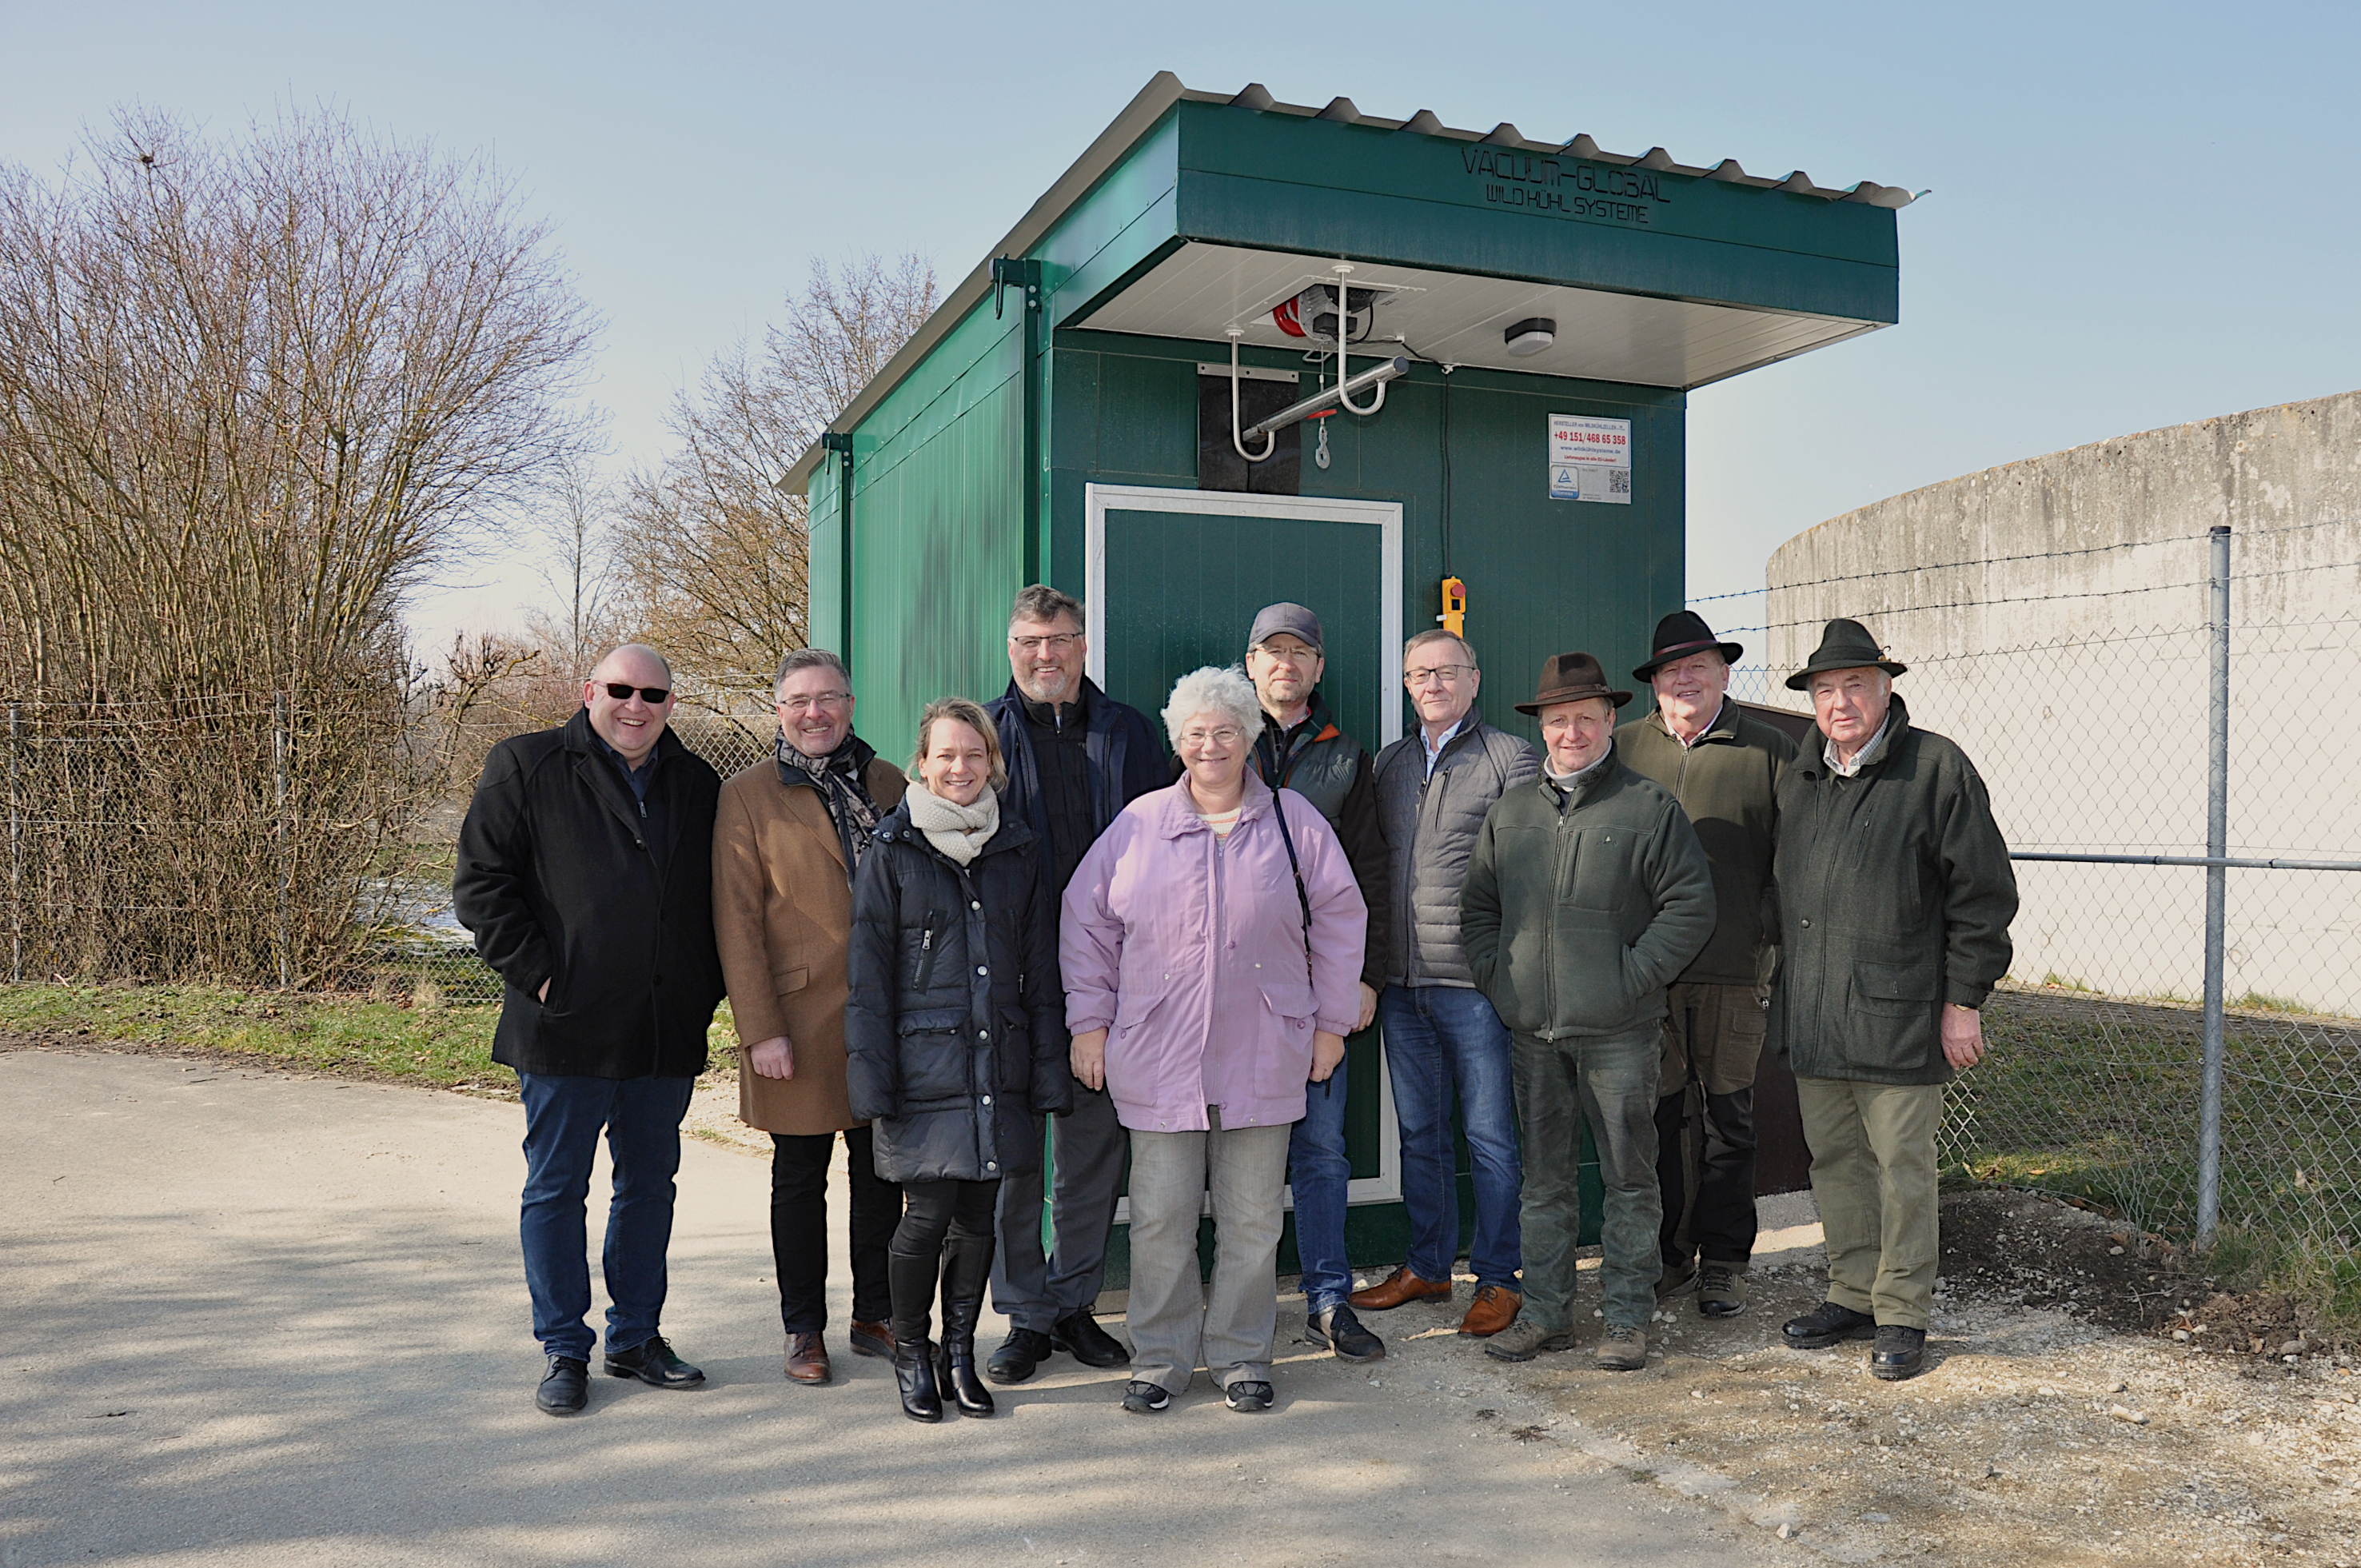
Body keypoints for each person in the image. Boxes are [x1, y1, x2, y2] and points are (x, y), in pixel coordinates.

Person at [1062, 666, 1366, 1414]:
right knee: (1162, 1215)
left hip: (1265, 1048)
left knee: (1252, 1216)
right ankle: (1160, 1359)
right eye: (1196, 732)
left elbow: (1338, 918)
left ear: (1248, 737)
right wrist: (1089, 1024)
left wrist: (1329, 1025)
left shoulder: (1294, 820)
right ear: (1177, 741)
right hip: (1158, 1056)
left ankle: (1240, 1355)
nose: (1210, 744)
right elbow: (1086, 923)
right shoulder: (1137, 825)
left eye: (1225, 730)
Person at [454, 643, 725, 1417]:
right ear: (588, 691)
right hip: (563, 1026)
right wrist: (542, 974)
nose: (634, 705)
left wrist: (701, 987)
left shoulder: (697, 783)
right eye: (619, 689)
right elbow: (480, 884)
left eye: (652, 693)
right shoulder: (527, 765)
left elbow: (719, 897)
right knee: (555, 1186)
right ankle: (563, 1348)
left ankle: (636, 1334)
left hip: (660, 1026)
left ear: (671, 702)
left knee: (648, 1185)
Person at [1773, 619, 2016, 1382]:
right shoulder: (1799, 774)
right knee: (1835, 1161)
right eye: (1824, 689)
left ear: (1885, 688)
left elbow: (1981, 896)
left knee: (1900, 1167)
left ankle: (1903, 1311)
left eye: (1853, 686)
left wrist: (1963, 1000)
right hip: (1814, 1012)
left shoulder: (1935, 768)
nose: (1838, 702)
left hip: (1900, 1012)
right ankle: (1851, 1291)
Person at [1462, 652, 1714, 1371]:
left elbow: (1689, 906)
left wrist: (1631, 979)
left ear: (1609, 721)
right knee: (1543, 1183)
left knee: (1629, 1179)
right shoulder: (1510, 812)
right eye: (1556, 719)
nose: (1569, 731)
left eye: (1583, 717)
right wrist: (1499, 978)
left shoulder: (1647, 807)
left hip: (1620, 1033)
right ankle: (1545, 1315)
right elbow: (1476, 907)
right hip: (1531, 1032)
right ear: (1540, 727)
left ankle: (1627, 1319)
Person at [845, 698, 1071, 1422]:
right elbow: (869, 975)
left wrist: (1045, 1068)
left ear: (992, 764)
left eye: (974, 755)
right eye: (946, 754)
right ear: (921, 763)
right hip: (922, 1070)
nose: (960, 767)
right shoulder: (892, 848)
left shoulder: (1017, 847)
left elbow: (1040, 966)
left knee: (981, 1217)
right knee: (924, 1217)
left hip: (996, 1063)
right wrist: (872, 1078)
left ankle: (960, 1354)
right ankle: (912, 1351)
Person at [981, 585, 1167, 1386]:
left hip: (1110, 983)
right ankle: (1024, 1313)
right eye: (1028, 640)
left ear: (1083, 645)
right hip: (1014, 986)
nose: (1043, 654)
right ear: (1011, 647)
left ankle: (1074, 1301)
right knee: (1016, 1157)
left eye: (1058, 639)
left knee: (1091, 1154)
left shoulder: (1128, 732)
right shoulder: (982, 735)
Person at [711, 648, 908, 1386]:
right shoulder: (747, 794)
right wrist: (759, 1027)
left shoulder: (890, 782)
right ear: (779, 710)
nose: (814, 712)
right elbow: (735, 919)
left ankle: (875, 1314)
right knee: (799, 1175)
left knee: (879, 1170)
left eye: (828, 698)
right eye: (798, 700)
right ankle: (803, 1328)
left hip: (883, 1012)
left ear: (851, 704)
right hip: (795, 1016)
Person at [1353, 628, 1539, 1339]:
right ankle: (1428, 1265)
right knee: (1419, 1131)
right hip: (1401, 984)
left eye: (1445, 671)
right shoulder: (1392, 762)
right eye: (1418, 673)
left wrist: (1502, 966)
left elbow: (1525, 871)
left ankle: (1498, 1278)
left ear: (1473, 678)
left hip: (1472, 985)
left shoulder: (1507, 758)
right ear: (1405, 683)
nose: (1431, 683)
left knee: (1491, 1135)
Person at [1617, 612, 1797, 1319]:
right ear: (1653, 684)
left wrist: (1766, 938)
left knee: (1728, 1120)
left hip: (1730, 970)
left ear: (1724, 673)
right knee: (1655, 1117)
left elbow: (1795, 860)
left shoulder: (1769, 750)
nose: (1684, 680)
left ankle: (1724, 1259)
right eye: (1670, 670)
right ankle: (1665, 1256)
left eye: (1698, 667)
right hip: (1647, 975)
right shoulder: (1625, 749)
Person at [1240, 601, 1390, 1363]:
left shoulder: (1346, 756)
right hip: (1230, 989)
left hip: (1311, 986)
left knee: (1322, 1148)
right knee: (1234, 1147)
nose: (1285, 664)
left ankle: (1328, 1297)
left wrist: (1360, 978)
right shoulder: (1216, 741)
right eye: (1272, 650)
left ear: (1318, 667)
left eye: (1300, 651)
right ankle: (1241, 1309)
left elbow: (1367, 872)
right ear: (1250, 663)